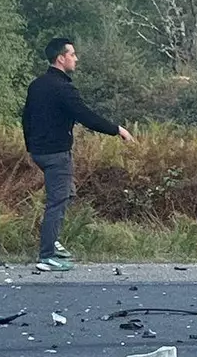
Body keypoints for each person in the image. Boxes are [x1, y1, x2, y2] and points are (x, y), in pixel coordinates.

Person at [21, 38, 133, 272]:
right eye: (72, 54)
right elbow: (86, 116)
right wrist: (117, 130)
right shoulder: (63, 88)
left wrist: (31, 147)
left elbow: (26, 119)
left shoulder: (37, 85)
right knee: (57, 202)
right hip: (56, 154)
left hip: (40, 152)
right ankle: (47, 255)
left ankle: (52, 240)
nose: (76, 58)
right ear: (60, 58)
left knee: (67, 193)